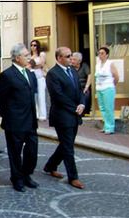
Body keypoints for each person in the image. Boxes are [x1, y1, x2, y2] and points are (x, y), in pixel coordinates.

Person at [0, 43, 40, 193]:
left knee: (32, 151)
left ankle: (26, 174)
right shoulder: (7, 75)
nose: (29, 57)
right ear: (16, 58)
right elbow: (1, 98)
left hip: (30, 121)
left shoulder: (30, 74)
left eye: (29, 55)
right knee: (15, 152)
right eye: (26, 55)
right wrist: (3, 115)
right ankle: (17, 178)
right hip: (14, 121)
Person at [43, 47, 86, 190]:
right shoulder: (52, 74)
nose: (71, 59)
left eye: (71, 56)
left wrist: (82, 103)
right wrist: (75, 108)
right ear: (59, 58)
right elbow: (58, 96)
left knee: (66, 144)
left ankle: (50, 165)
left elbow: (80, 90)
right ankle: (73, 177)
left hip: (74, 114)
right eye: (68, 56)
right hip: (62, 116)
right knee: (68, 147)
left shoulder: (72, 71)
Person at [94, 47, 119, 134]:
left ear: (107, 55)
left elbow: (116, 76)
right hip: (99, 89)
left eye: (102, 53)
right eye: (99, 53)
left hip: (108, 88)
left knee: (109, 108)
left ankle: (110, 128)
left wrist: (112, 85)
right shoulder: (97, 64)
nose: (100, 55)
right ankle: (106, 126)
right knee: (102, 108)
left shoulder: (110, 64)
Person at [29, 39, 48, 121]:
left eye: (35, 45)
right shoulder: (29, 56)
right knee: (33, 96)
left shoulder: (41, 54)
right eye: (31, 45)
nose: (33, 47)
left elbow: (42, 64)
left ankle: (42, 115)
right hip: (32, 76)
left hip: (40, 77)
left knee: (41, 96)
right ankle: (36, 113)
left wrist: (33, 66)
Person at [71, 52, 91, 116]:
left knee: (86, 94)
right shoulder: (70, 67)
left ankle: (83, 112)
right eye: (71, 59)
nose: (72, 61)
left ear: (79, 61)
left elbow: (90, 75)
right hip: (73, 87)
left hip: (83, 87)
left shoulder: (84, 66)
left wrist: (87, 87)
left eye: (74, 60)